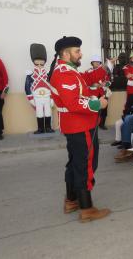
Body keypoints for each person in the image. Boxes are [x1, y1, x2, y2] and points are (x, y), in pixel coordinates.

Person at [49, 36, 110, 222]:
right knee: (86, 165)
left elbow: (84, 80)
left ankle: (71, 200)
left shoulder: (68, 70)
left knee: (75, 163)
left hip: (75, 125)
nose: (80, 53)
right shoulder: (64, 73)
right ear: (65, 54)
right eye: (77, 51)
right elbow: (74, 102)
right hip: (80, 125)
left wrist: (103, 70)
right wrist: (97, 103)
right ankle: (87, 209)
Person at [25, 43, 54, 134]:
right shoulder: (30, 74)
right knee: (39, 113)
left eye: (41, 63)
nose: (39, 65)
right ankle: (40, 129)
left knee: (48, 112)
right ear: (34, 62)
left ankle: (48, 127)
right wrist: (30, 98)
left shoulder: (48, 74)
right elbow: (27, 86)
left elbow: (53, 86)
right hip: (36, 97)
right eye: (37, 63)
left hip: (47, 96)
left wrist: (53, 98)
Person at [82, 55, 113, 130]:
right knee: (94, 109)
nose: (97, 63)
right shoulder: (88, 71)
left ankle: (102, 124)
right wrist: (93, 84)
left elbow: (108, 80)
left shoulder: (104, 71)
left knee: (104, 109)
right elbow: (85, 82)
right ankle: (93, 124)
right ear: (92, 63)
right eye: (95, 62)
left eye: (98, 62)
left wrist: (107, 83)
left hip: (102, 92)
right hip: (93, 93)